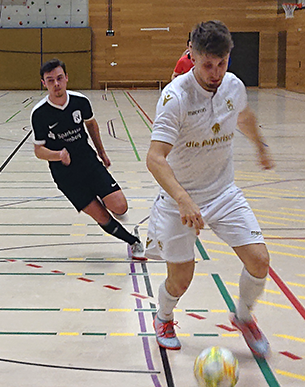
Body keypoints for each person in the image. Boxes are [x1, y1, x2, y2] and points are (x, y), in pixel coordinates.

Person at [146, 21, 275, 358]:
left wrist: (260, 147)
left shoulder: (233, 86)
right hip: (180, 201)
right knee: (180, 280)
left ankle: (244, 317)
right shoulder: (175, 98)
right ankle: (163, 317)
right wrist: (183, 198)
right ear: (192, 54)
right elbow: (155, 158)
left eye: (222, 63)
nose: (215, 72)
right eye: (207, 64)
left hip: (223, 193)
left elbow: (244, 116)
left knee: (260, 261)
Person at [30, 58, 145, 260]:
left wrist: (101, 152)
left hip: (89, 163)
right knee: (101, 216)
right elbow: (39, 150)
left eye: (59, 78)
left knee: (120, 206)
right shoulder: (39, 113)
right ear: (43, 83)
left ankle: (102, 194)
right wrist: (57, 155)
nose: (56, 84)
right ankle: (133, 242)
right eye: (50, 80)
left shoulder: (80, 101)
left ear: (66, 78)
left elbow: (91, 125)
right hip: (65, 175)